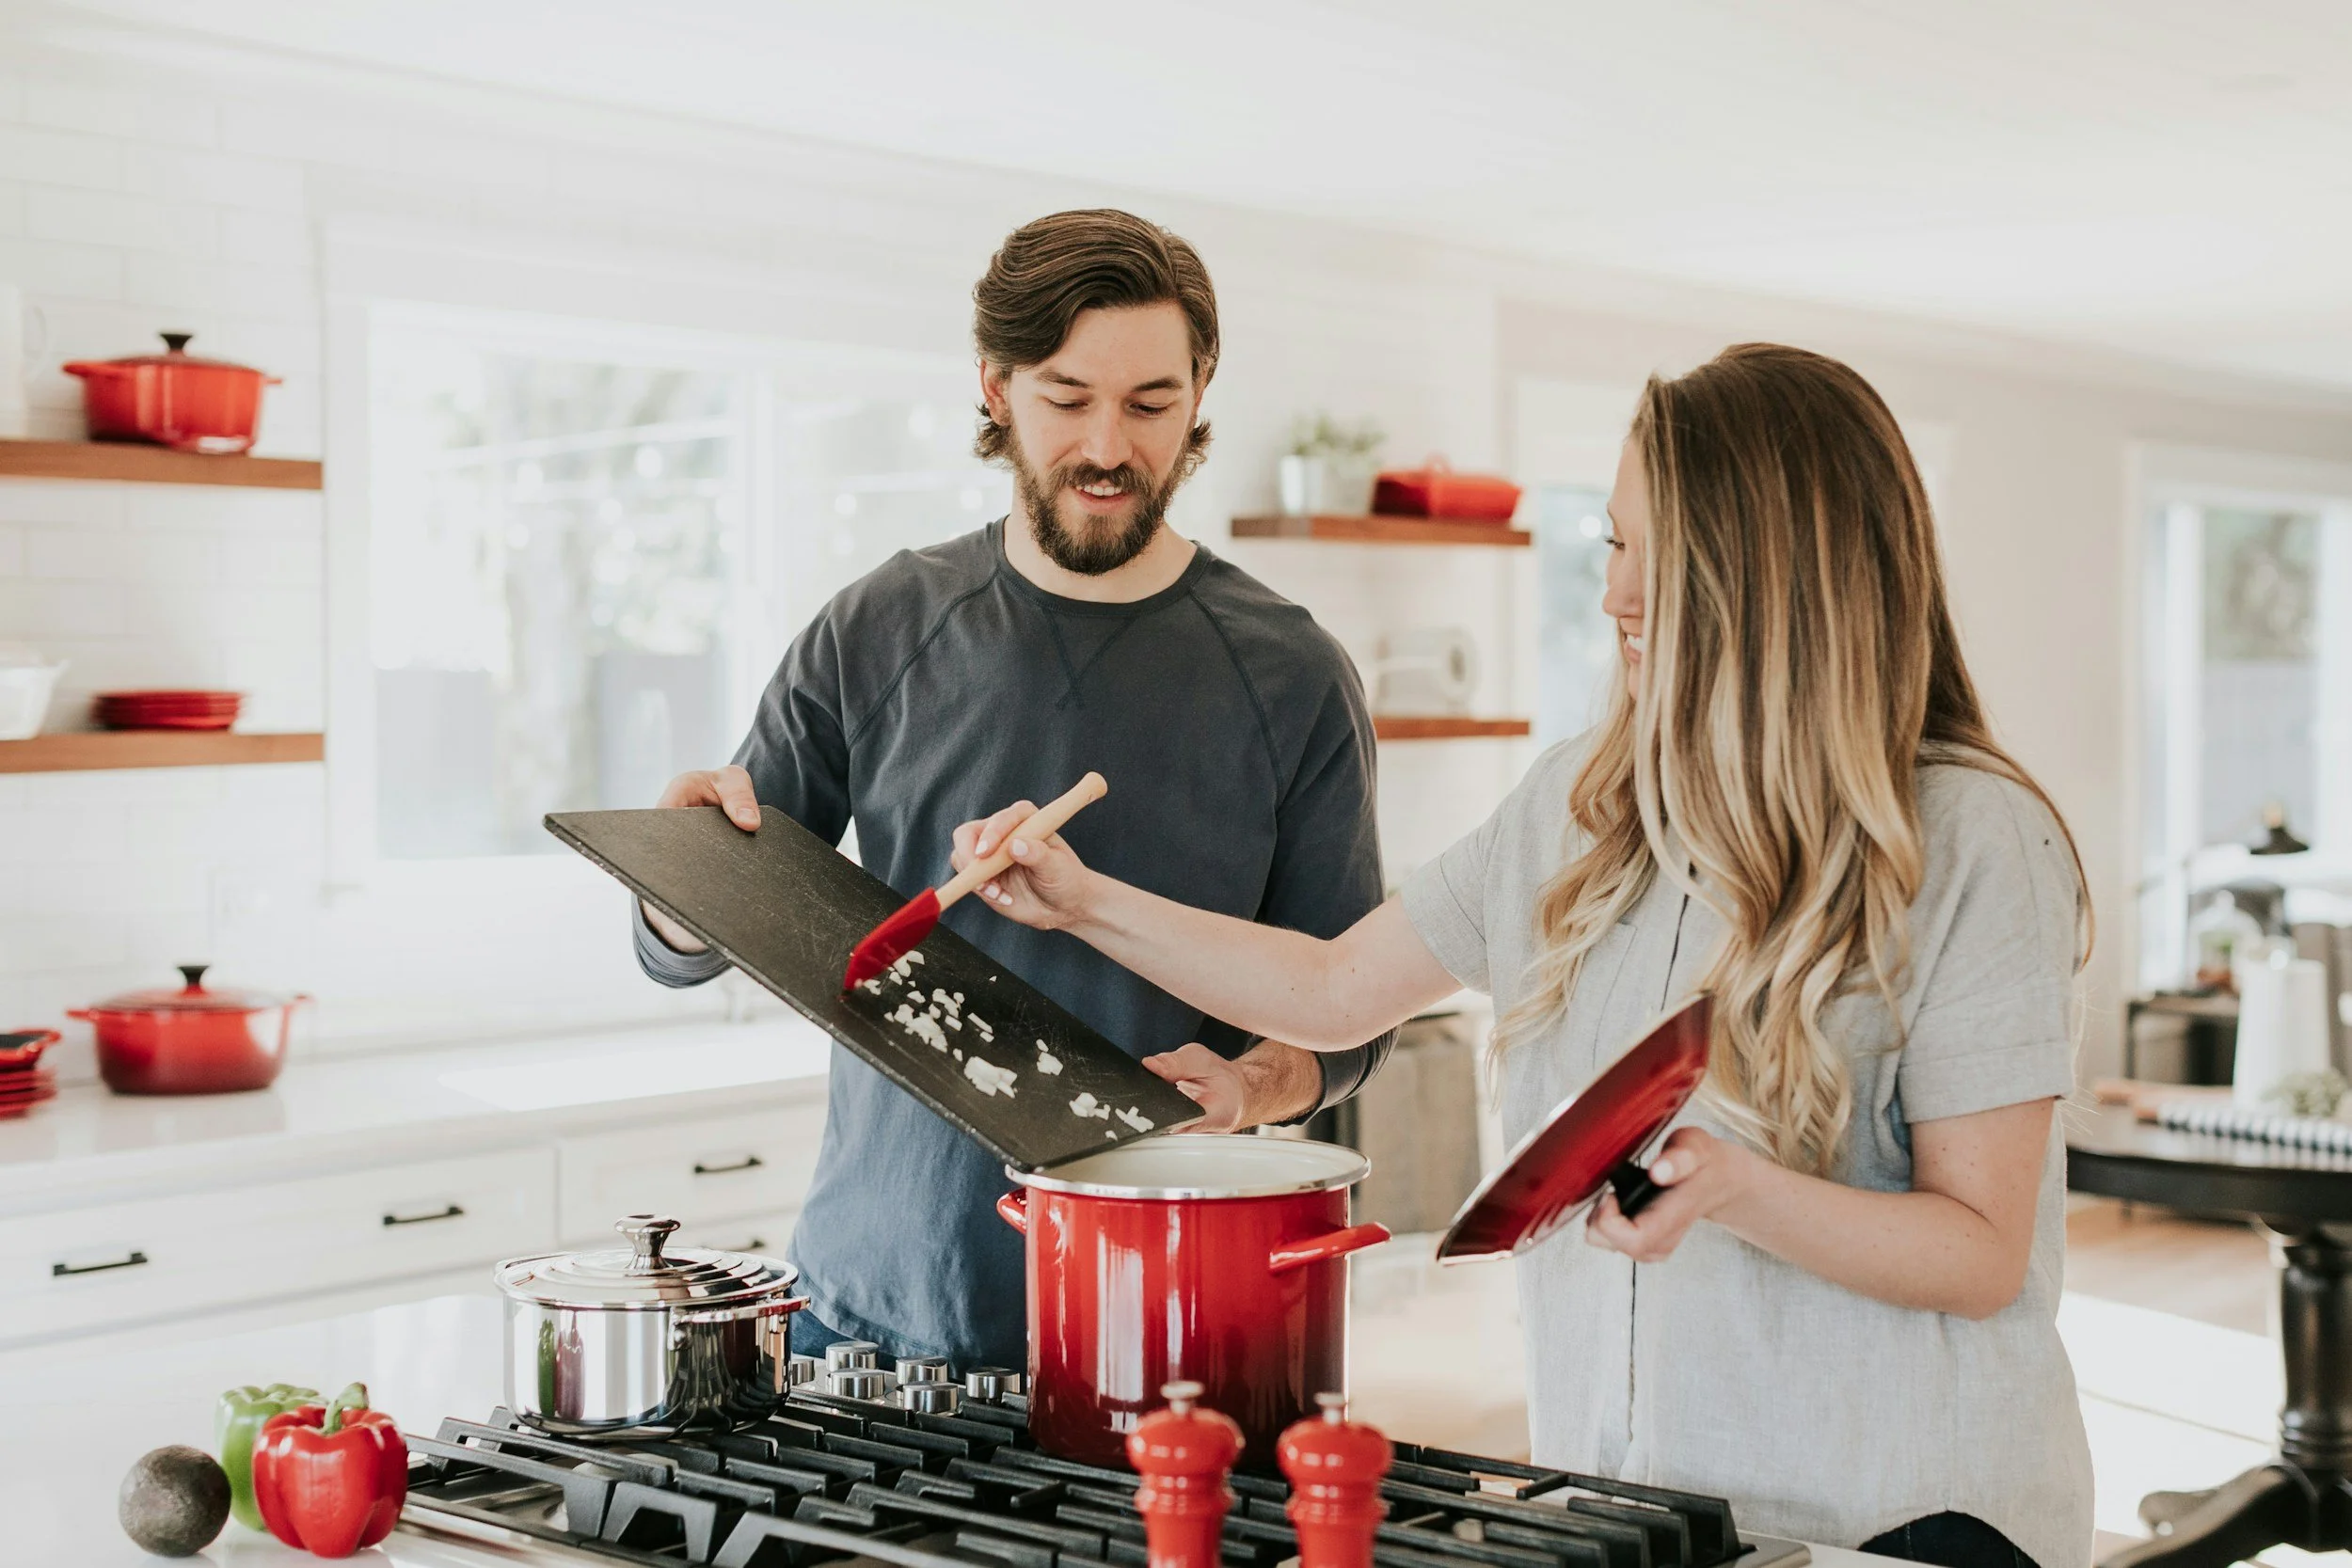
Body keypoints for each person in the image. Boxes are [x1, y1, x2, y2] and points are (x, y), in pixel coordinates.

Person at [954, 343, 2093, 1568]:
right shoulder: (1578, 806)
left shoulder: (1973, 835)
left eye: (1663, 553)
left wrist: (1740, 1186)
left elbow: (1982, 1249)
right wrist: (1080, 900)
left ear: (1781, 575)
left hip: (1902, 1519)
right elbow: (1336, 988)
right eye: (1613, 542)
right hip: (1636, 1512)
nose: (1617, 595)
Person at [632, 208, 1394, 1372]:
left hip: (1164, 1323)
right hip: (865, 1317)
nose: (1107, 444)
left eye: (1148, 403)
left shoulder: (1291, 675)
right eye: (1065, 397)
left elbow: (1350, 1017)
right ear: (994, 386)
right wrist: (676, 884)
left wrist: (1252, 1083)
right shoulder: (877, 626)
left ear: (1199, 392)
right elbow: (703, 924)